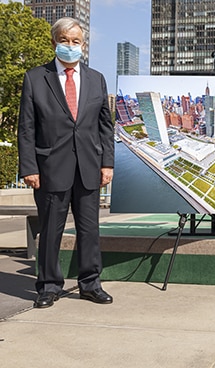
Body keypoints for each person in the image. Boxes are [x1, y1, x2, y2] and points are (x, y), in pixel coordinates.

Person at [18, 17, 114, 308]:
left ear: (83, 45)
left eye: (76, 41)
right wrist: (29, 168)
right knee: (50, 230)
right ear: (54, 42)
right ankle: (48, 286)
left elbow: (105, 127)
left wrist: (107, 163)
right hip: (49, 169)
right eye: (65, 40)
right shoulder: (35, 78)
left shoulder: (96, 78)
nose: (71, 46)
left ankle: (90, 283)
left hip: (89, 167)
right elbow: (26, 128)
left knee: (89, 229)